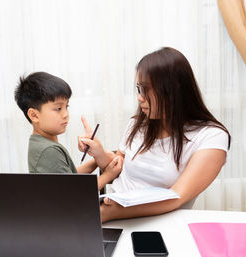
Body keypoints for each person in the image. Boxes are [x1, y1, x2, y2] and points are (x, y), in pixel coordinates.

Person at [78, 47, 231, 222]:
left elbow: (176, 196)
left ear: (172, 91)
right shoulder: (138, 124)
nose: (139, 97)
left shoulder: (210, 137)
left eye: (145, 89)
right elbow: (116, 170)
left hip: (156, 223)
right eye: (138, 89)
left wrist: (110, 212)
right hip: (110, 213)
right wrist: (98, 152)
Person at [14, 72, 123, 190]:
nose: (66, 114)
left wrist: (96, 160)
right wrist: (108, 175)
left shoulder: (39, 142)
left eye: (67, 107)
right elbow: (74, 194)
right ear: (34, 115)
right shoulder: (49, 150)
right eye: (58, 108)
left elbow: (69, 177)